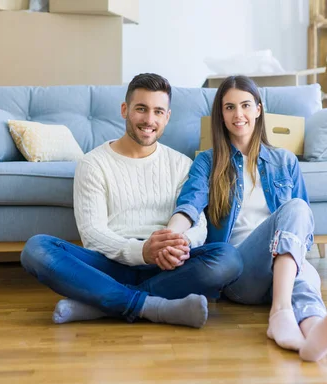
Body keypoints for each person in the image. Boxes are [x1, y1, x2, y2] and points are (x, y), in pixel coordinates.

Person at [20, 73, 243, 329]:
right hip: (110, 263)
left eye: (158, 111)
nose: (149, 120)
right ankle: (151, 306)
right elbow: (92, 234)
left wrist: (175, 246)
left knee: (228, 258)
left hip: (168, 266)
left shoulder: (181, 164)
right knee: (36, 249)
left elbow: (198, 225)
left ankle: (103, 303)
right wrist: (142, 251)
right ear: (125, 110)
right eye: (141, 109)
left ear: (167, 117)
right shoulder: (93, 163)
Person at [168, 75, 327, 361]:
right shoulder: (208, 161)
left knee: (304, 273)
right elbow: (189, 205)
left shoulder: (285, 161)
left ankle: (314, 333)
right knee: (295, 211)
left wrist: (297, 262)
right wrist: (171, 235)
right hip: (240, 274)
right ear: (221, 115)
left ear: (259, 109)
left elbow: (303, 227)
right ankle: (281, 312)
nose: (239, 115)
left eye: (246, 105)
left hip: (279, 272)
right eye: (230, 107)